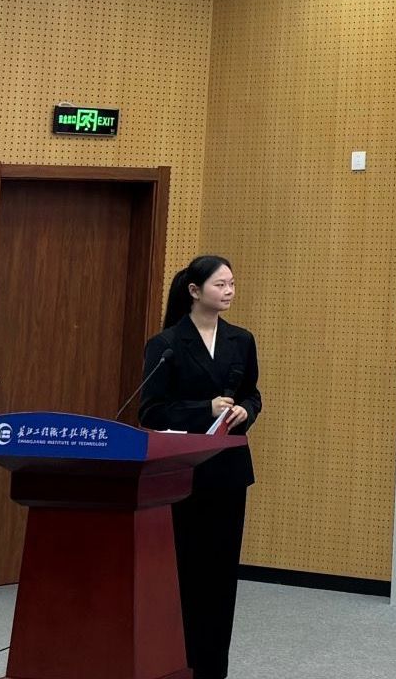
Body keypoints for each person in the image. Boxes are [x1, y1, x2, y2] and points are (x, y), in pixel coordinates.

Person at [139, 255, 261, 679]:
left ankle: (212, 669)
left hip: (228, 471)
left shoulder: (241, 340)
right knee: (184, 573)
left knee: (221, 576)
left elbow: (252, 393)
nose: (229, 291)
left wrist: (246, 410)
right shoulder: (167, 344)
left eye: (232, 284)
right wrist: (203, 409)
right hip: (183, 474)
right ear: (194, 291)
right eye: (220, 284)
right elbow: (151, 412)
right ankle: (177, 663)